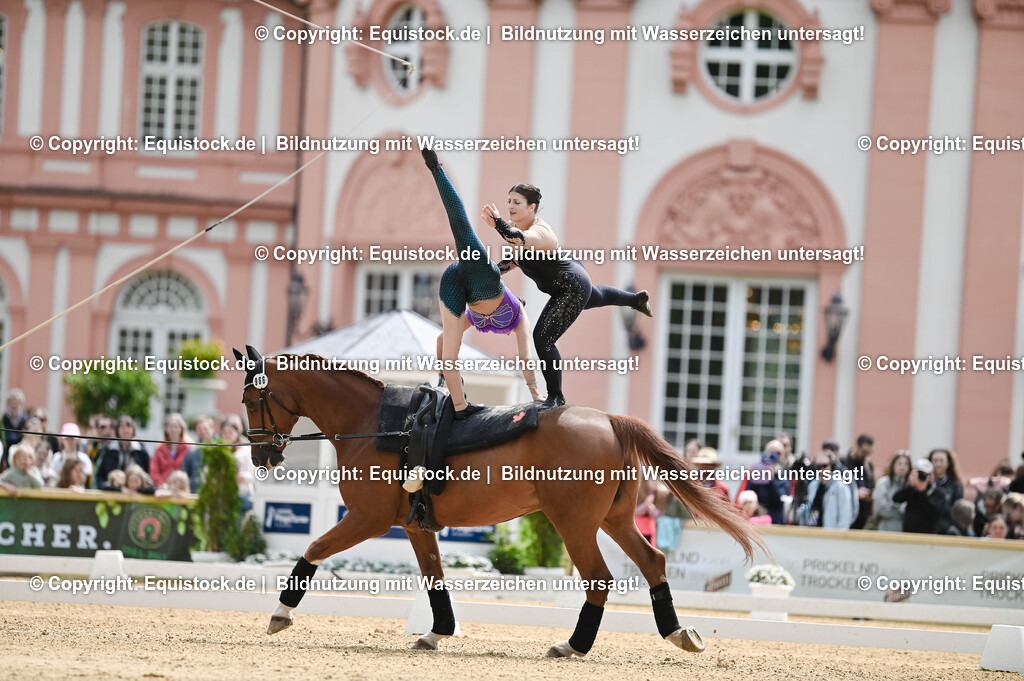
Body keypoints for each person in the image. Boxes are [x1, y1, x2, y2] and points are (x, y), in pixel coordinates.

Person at [482, 187, 651, 409]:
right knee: (596, 296)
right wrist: (485, 274)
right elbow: (509, 263)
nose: (510, 207)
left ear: (532, 207)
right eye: (509, 201)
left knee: (543, 336)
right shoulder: (515, 235)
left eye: (517, 202)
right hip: (570, 281)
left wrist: (498, 224)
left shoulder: (541, 232)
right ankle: (635, 300)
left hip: (571, 285)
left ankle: (555, 396)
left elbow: (519, 239)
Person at [422, 149, 543, 414]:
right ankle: (436, 168)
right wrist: (535, 392)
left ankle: (458, 405)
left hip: (456, 283)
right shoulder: (519, 314)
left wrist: (441, 368)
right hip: (485, 281)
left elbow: (442, 338)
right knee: (462, 229)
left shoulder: (475, 318)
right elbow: (526, 356)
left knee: (449, 354)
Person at [799, 451, 854, 529]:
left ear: (832, 466)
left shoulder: (840, 487)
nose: (821, 469)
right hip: (812, 532)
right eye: (818, 466)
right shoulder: (813, 486)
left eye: (824, 466)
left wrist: (840, 538)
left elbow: (845, 517)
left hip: (830, 535)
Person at [150, 413, 201, 492]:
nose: (173, 429)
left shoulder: (189, 448)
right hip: (163, 490)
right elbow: (154, 471)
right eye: (170, 426)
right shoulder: (159, 448)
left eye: (176, 426)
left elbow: (193, 471)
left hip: (183, 491)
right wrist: (162, 485)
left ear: (181, 428)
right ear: (166, 429)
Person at [893, 459, 946, 534]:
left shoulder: (938, 494)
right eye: (918, 473)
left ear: (931, 476)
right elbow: (896, 498)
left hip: (927, 537)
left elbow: (933, 511)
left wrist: (922, 491)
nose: (921, 477)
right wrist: (911, 485)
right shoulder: (911, 491)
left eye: (924, 474)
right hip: (908, 536)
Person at [95, 415, 149, 486]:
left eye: (128, 426)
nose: (125, 430)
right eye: (122, 427)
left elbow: (147, 474)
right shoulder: (109, 450)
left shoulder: (141, 451)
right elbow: (100, 475)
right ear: (117, 430)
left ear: (133, 430)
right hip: (113, 490)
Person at [747, 440, 789, 524]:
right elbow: (749, 494)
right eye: (770, 452)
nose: (774, 456)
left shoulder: (783, 474)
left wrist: (772, 480)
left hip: (776, 522)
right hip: (758, 520)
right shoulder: (757, 471)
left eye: (778, 453)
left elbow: (780, 499)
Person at [842, 434, 875, 529]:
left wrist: (870, 494)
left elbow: (871, 484)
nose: (866, 455)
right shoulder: (845, 463)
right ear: (858, 447)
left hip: (864, 511)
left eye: (868, 453)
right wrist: (856, 492)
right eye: (864, 452)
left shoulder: (868, 465)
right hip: (849, 511)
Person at [221, 414, 253, 512]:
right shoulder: (219, 451)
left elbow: (255, 472)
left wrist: (244, 476)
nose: (227, 435)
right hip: (224, 495)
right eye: (224, 432)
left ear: (237, 433)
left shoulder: (246, 450)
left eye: (230, 432)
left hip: (243, 494)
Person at [873, 451, 911, 532]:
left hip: (906, 530)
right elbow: (881, 508)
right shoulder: (883, 482)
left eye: (906, 464)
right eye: (899, 463)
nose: (902, 467)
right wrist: (901, 510)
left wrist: (895, 507)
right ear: (893, 465)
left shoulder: (911, 485)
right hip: (885, 529)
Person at [928, 448, 963, 534]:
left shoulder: (956, 485)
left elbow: (958, 509)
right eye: (935, 460)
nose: (938, 464)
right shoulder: (925, 484)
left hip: (946, 529)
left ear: (948, 463)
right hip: (928, 529)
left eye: (941, 460)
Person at [0, 388, 28, 471]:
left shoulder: (26, 420)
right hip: (5, 456)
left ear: (21, 404)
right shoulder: (3, 420)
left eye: (16, 402)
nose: (13, 405)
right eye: (11, 402)